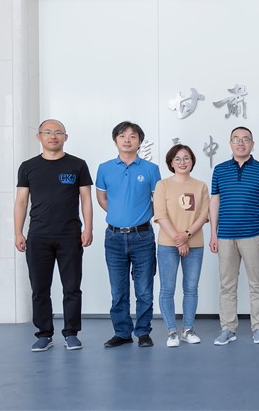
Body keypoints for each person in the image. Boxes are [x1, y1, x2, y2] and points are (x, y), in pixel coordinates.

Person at [14, 119, 93, 352]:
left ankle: (71, 333)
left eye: (58, 132)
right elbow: (21, 201)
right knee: (40, 288)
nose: (53, 136)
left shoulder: (77, 165)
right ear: (39, 136)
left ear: (65, 137)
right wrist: (18, 232)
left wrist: (88, 228)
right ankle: (44, 334)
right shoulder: (28, 167)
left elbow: (86, 199)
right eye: (48, 132)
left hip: (70, 235)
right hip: (38, 236)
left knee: (72, 287)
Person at [96, 121, 162, 348]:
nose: (127, 140)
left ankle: (143, 332)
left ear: (140, 141)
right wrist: (119, 216)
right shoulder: (105, 168)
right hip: (113, 238)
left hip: (142, 237)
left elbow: (158, 201)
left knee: (144, 290)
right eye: (122, 135)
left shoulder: (151, 169)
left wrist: (137, 217)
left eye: (133, 136)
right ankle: (122, 333)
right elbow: (102, 199)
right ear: (115, 140)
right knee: (118, 290)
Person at [209, 126, 259, 346]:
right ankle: (228, 328)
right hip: (225, 236)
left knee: (257, 284)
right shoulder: (220, 170)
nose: (241, 143)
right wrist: (213, 234)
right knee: (227, 285)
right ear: (230, 144)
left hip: (254, 235)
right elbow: (215, 202)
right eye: (236, 139)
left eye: (246, 139)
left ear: (252, 144)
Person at [152, 144, 209, 347]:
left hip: (195, 244)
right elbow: (160, 215)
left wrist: (186, 235)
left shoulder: (201, 186)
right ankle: (171, 332)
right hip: (168, 244)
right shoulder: (163, 185)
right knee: (167, 289)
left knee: (191, 288)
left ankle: (188, 329)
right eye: (177, 159)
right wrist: (178, 239)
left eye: (186, 158)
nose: (182, 162)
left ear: (192, 161)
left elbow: (204, 215)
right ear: (171, 163)